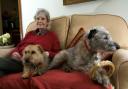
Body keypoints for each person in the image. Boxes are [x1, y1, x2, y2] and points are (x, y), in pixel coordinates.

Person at [0, 8, 61, 76]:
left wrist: (48, 53)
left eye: (43, 19)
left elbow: (58, 54)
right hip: (18, 59)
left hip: (30, 64)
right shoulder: (30, 34)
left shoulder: (52, 36)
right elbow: (19, 46)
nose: (40, 21)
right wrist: (15, 52)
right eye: (38, 19)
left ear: (48, 21)